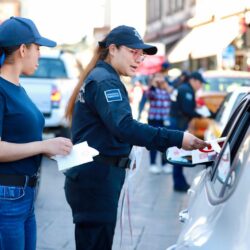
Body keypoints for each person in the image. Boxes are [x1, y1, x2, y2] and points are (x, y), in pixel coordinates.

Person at [64, 25, 208, 250]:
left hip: (93, 178)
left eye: (141, 54)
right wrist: (177, 138)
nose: (139, 58)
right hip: (96, 180)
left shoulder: (102, 76)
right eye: (133, 52)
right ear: (113, 49)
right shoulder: (105, 81)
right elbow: (124, 127)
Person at [0, 16, 73, 250]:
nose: (40, 54)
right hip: (6, 196)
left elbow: (20, 138)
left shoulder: (18, 87)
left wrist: (51, 148)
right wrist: (42, 146)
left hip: (25, 194)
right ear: (23, 49)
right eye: (38, 48)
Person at [169, 71, 206, 192]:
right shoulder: (186, 90)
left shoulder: (186, 88)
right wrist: (202, 114)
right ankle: (179, 183)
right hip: (178, 124)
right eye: (200, 83)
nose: (201, 86)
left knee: (179, 152)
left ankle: (179, 181)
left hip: (178, 122)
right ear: (194, 80)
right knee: (178, 153)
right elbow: (187, 110)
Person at [145, 72, 173, 174]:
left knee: (165, 142)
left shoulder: (167, 89)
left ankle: (164, 164)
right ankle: (152, 164)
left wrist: (166, 85)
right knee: (154, 142)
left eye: (161, 77)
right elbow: (148, 95)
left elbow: (174, 96)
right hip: (154, 119)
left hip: (165, 119)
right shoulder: (152, 90)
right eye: (157, 77)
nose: (160, 79)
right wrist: (153, 85)